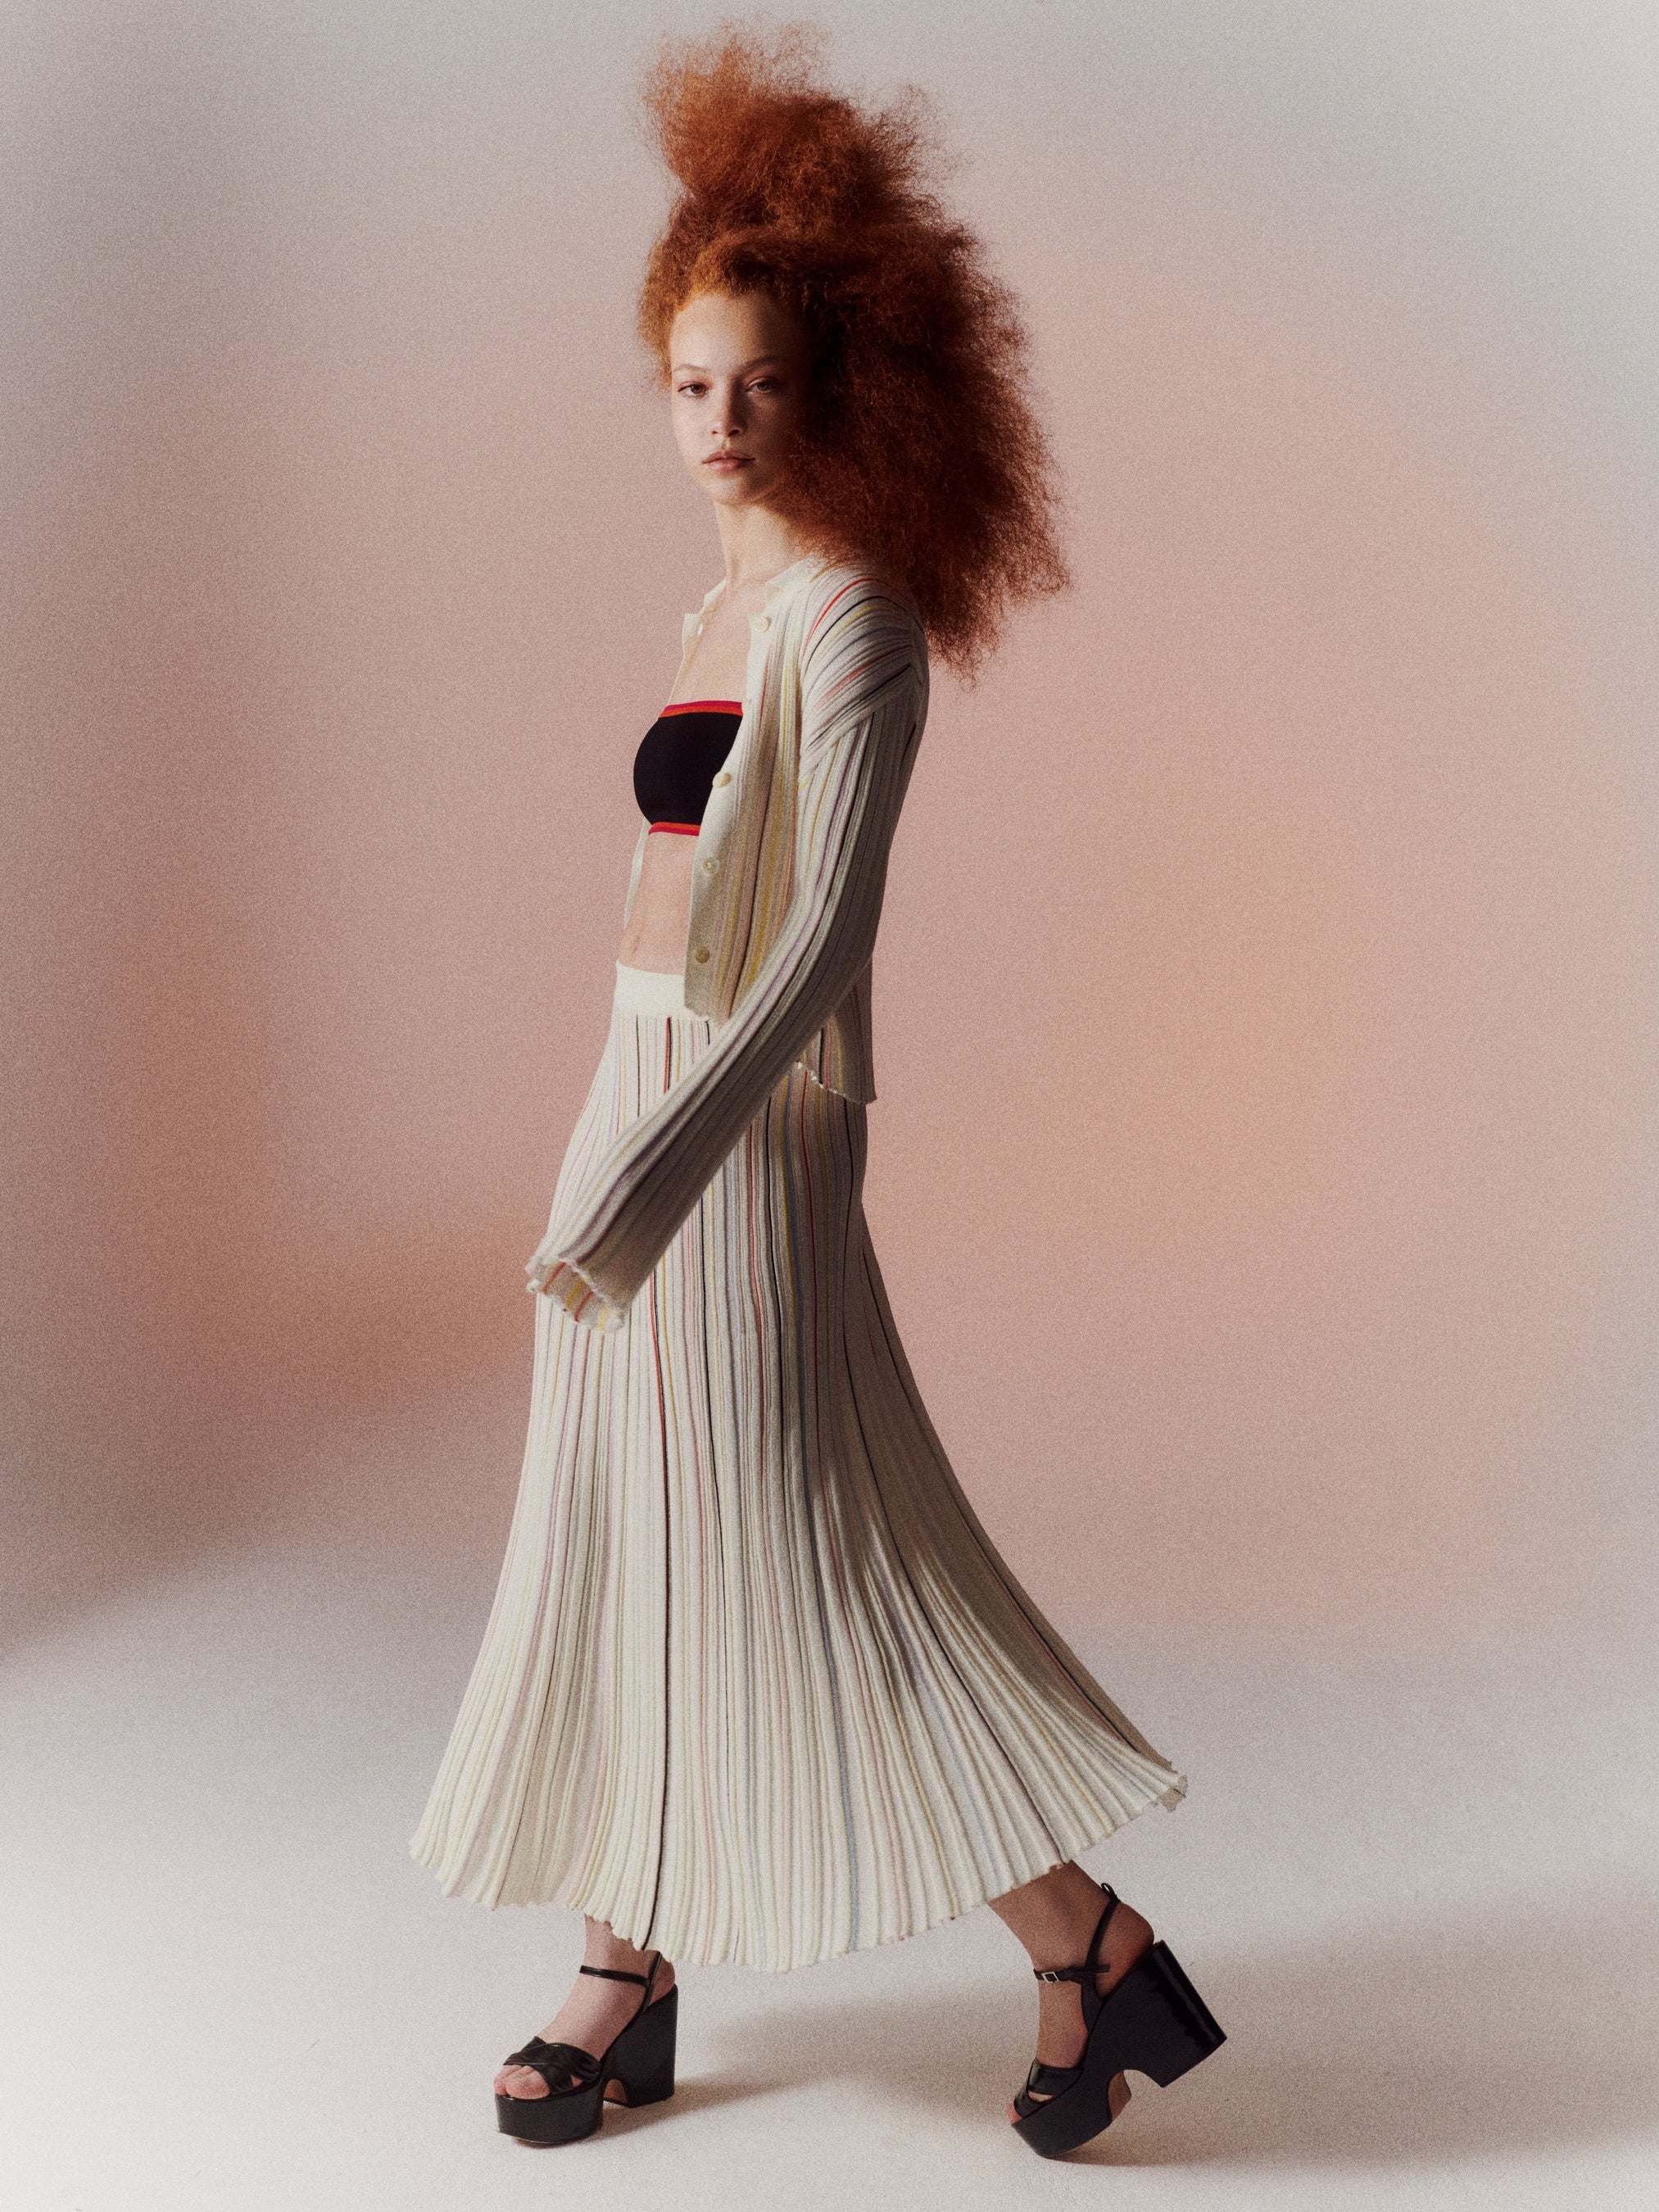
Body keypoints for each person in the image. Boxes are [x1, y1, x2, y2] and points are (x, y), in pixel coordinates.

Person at [409, 20, 1225, 2159]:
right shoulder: (724, 598)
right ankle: (627, 1968)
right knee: (617, 1539)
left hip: (742, 1146)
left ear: (841, 386)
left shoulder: (851, 618)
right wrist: (608, 1130)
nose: (722, 424)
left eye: (763, 385)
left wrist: (649, 1176)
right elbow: (667, 930)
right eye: (691, 384)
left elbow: (811, 951)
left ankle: (1086, 1935)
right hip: (639, 1102)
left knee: (794, 1557)